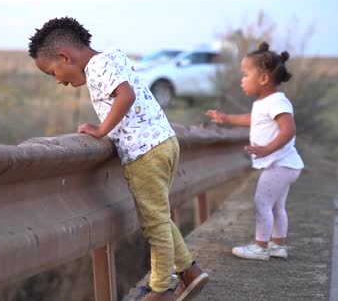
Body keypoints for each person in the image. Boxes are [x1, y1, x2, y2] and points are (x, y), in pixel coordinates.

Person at [28, 17, 209, 301]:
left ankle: (161, 289)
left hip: (144, 151)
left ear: (65, 56)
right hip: (163, 142)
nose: (59, 81)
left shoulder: (96, 67)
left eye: (53, 72)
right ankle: (189, 271)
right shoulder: (111, 57)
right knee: (158, 216)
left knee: (155, 225)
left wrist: (101, 130)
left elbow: (126, 95)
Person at [206, 41, 304, 261]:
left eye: (245, 74)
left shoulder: (277, 101)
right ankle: (278, 245)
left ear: (263, 79)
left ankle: (260, 247)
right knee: (277, 206)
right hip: (284, 164)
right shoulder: (264, 102)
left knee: (262, 202)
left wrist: (266, 149)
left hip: (280, 163)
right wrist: (226, 118)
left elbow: (289, 130)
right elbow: (254, 120)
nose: (242, 79)